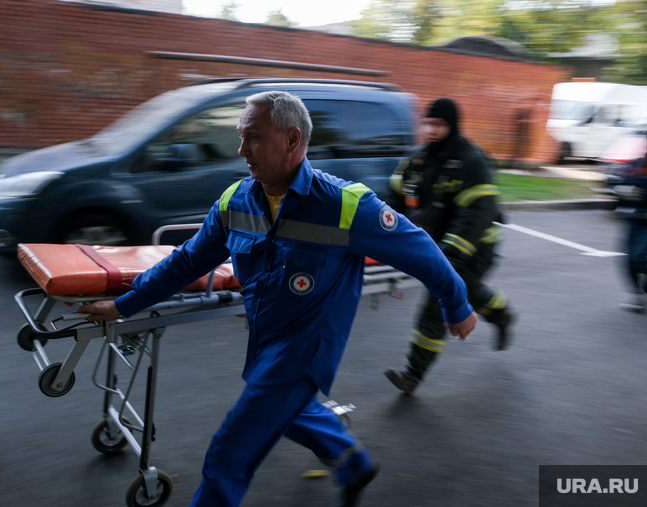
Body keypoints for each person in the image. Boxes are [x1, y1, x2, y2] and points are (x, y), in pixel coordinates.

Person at [77, 91, 477, 507]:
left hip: (306, 349)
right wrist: (125, 304)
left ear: (291, 140)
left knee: (228, 454)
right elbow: (187, 261)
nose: (241, 149)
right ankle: (353, 463)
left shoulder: (343, 205)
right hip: (267, 338)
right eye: (241, 136)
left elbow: (422, 251)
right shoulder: (236, 201)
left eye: (253, 137)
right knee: (290, 412)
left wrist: (457, 305)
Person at [384, 97, 514, 396]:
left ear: (452, 126)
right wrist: (382, 228)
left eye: (439, 124)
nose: (431, 129)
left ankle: (412, 375)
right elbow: (393, 198)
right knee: (463, 292)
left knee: (438, 301)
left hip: (474, 248)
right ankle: (499, 312)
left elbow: (475, 216)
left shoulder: (471, 161)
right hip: (439, 248)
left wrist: (447, 256)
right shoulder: (417, 159)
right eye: (428, 123)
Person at [612, 128, 647, 312]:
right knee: (627, 260)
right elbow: (620, 181)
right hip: (634, 218)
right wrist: (621, 189)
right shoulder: (638, 162)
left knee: (638, 258)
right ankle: (637, 296)